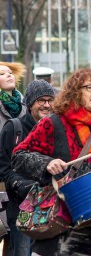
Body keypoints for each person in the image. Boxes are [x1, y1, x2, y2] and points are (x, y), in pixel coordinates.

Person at [11, 68, 91, 256]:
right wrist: (46, 163)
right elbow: (19, 156)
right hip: (62, 227)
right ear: (75, 92)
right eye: (89, 87)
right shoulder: (53, 123)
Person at [0, 80, 56, 256]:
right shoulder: (14, 128)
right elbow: (3, 168)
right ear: (30, 103)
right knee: (23, 252)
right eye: (41, 100)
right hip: (21, 209)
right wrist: (22, 185)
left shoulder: (57, 129)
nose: (46, 105)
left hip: (53, 209)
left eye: (50, 100)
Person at [0, 62, 26, 255]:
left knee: (16, 234)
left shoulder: (24, 105)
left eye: (10, 72)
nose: (9, 75)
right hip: (1, 177)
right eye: (2, 73)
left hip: (21, 178)